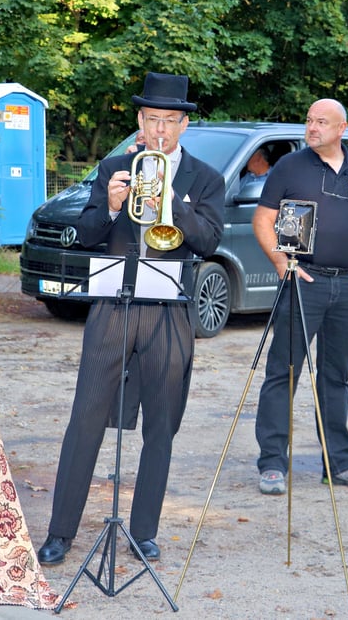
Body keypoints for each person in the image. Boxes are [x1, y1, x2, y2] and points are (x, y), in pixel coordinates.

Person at [36, 72, 225, 565]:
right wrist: (114, 205)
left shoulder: (205, 179)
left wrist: (175, 204)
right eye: (152, 119)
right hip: (114, 305)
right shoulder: (114, 166)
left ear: (183, 124)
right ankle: (61, 532)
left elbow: (207, 241)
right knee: (86, 418)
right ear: (139, 121)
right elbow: (88, 233)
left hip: (169, 311)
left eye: (169, 120)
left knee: (162, 423)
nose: (160, 129)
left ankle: (144, 531)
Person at [252, 98, 348, 496]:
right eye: (309, 120)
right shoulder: (290, 167)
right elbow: (263, 219)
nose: (312, 128)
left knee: (336, 378)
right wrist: (281, 264)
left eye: (321, 122)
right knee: (283, 373)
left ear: (342, 128)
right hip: (303, 281)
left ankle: (338, 464)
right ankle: (273, 464)